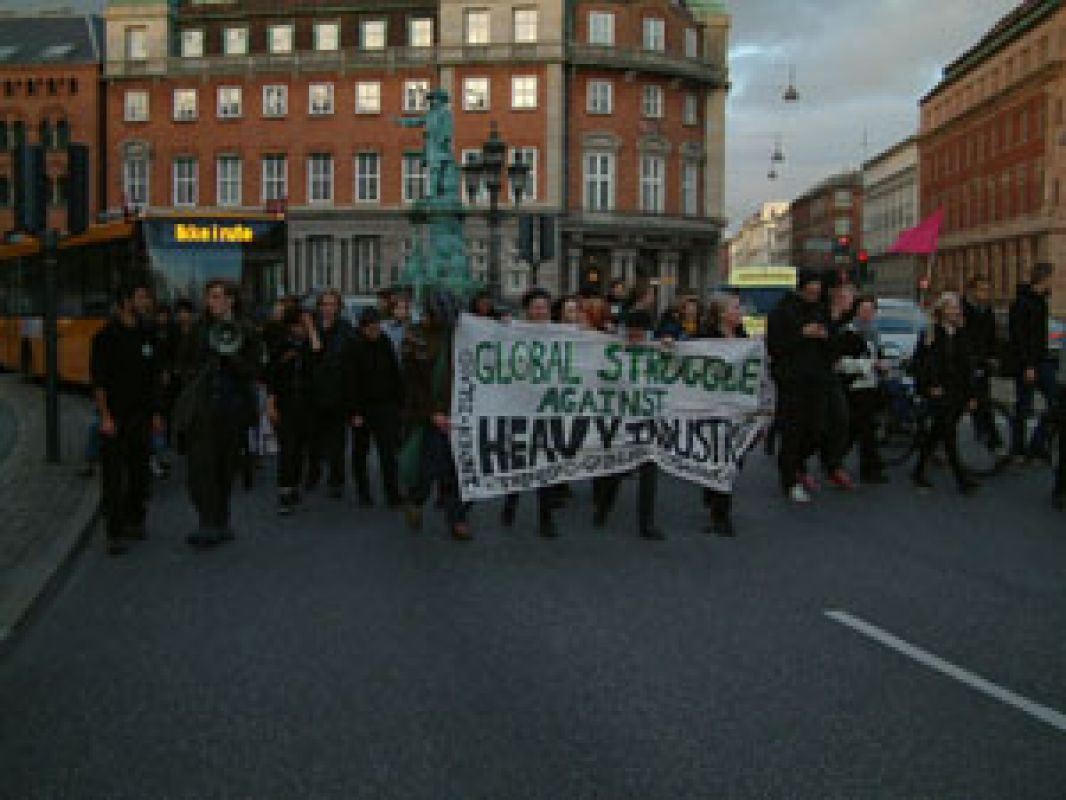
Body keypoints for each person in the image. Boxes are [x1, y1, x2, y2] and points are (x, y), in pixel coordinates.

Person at [174, 280, 260, 547]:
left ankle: (221, 520)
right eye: (210, 297)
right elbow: (182, 363)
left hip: (232, 409)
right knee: (200, 467)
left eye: (217, 296)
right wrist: (197, 372)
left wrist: (232, 357)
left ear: (230, 300)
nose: (212, 302)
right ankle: (207, 521)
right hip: (203, 408)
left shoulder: (246, 329)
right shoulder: (198, 329)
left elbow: (254, 370)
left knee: (225, 466)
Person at [89, 281, 163, 556]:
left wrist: (156, 412)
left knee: (139, 471)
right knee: (113, 476)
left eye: (147, 296)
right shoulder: (105, 337)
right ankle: (115, 531)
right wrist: (105, 417)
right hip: (115, 416)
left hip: (141, 415)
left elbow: (155, 376)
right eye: (141, 297)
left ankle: (136, 518)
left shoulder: (148, 333)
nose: (146, 302)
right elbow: (99, 382)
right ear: (126, 301)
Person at [766, 270, 846, 503]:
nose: (814, 295)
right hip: (792, 380)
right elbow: (775, 347)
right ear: (801, 288)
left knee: (817, 429)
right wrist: (802, 334)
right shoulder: (782, 311)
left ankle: (798, 463)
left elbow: (834, 346)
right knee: (793, 431)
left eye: (817, 292)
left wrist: (827, 335)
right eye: (810, 291)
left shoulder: (821, 310)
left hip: (819, 379)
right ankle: (789, 479)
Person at [401, 291, 472, 540]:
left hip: (459, 410)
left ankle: (457, 518)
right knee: (431, 465)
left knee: (457, 467)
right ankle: (417, 498)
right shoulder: (414, 336)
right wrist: (432, 413)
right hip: (429, 413)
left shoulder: (459, 333)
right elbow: (413, 382)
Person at [591, 309, 664, 540]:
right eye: (632, 331)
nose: (635, 336)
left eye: (640, 332)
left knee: (649, 472)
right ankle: (603, 509)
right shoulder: (613, 348)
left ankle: (646, 523)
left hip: (648, 420)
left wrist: (671, 347)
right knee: (616, 470)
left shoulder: (657, 349)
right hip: (620, 420)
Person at [501, 288, 562, 538]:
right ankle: (511, 502)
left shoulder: (561, 334)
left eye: (544, 307)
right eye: (536, 307)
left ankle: (546, 518)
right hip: (520, 406)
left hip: (548, 409)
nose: (541, 312)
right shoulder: (515, 332)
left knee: (545, 462)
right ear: (527, 310)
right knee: (518, 459)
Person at [910, 292, 980, 494]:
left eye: (957, 307)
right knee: (948, 433)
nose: (955, 311)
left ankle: (919, 470)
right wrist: (929, 385)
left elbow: (967, 365)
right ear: (942, 310)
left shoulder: (961, 333)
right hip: (938, 390)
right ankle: (961, 479)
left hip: (957, 389)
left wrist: (971, 394)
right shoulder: (931, 333)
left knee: (937, 432)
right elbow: (922, 363)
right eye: (951, 307)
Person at [700, 293, 747, 536]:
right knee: (721, 458)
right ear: (721, 313)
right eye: (736, 308)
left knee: (734, 457)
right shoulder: (706, 338)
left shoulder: (743, 338)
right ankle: (721, 515)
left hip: (736, 408)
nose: (741, 312)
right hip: (712, 408)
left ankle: (713, 495)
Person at [266, 307, 321, 515]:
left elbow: (317, 354)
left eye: (304, 325)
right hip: (286, 402)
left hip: (306, 403)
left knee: (300, 447)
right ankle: (284, 490)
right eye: (298, 325)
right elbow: (272, 375)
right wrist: (271, 403)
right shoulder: (281, 345)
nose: (301, 329)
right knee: (287, 447)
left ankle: (294, 485)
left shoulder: (309, 344)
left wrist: (312, 328)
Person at [348, 306, 404, 508]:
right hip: (363, 408)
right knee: (360, 453)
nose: (375, 331)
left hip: (386, 406)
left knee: (388, 453)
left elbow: (395, 373)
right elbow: (350, 382)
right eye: (371, 328)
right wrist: (354, 412)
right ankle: (363, 493)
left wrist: (399, 402)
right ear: (363, 328)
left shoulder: (384, 342)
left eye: (377, 327)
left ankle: (392, 493)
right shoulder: (354, 346)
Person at [307, 289, 355, 497]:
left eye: (332, 304)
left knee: (337, 440)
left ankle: (336, 479)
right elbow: (309, 355)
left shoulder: (345, 329)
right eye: (324, 304)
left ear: (338, 307)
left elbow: (348, 361)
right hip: (314, 391)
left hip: (338, 391)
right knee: (313, 438)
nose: (327, 308)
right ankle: (313, 474)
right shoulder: (312, 327)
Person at [835, 296, 888, 484]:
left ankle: (836, 459)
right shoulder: (847, 333)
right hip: (855, 387)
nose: (867, 314)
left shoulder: (873, 333)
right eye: (864, 310)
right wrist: (870, 365)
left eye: (871, 310)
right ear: (856, 311)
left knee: (860, 429)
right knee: (864, 429)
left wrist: (882, 366)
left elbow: (878, 355)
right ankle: (868, 468)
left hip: (871, 386)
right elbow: (841, 363)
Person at [1008, 262, 1056, 461]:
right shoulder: (1022, 303)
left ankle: (1037, 443)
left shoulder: (1041, 301)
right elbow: (1019, 337)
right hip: (1026, 363)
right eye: (1052, 277)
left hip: (1042, 360)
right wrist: (1028, 365)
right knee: (1024, 406)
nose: (1054, 281)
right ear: (1043, 278)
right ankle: (1018, 449)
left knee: (1056, 402)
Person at [963, 276, 1003, 453]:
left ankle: (991, 438)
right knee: (965, 402)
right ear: (972, 291)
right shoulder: (962, 309)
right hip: (965, 362)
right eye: (982, 290)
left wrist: (993, 356)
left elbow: (992, 336)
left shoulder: (987, 311)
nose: (985, 294)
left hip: (981, 362)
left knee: (983, 400)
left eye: (987, 290)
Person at [383, 293, 412, 359]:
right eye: (400, 308)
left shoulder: (409, 328)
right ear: (393, 310)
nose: (403, 311)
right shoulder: (384, 327)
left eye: (405, 308)